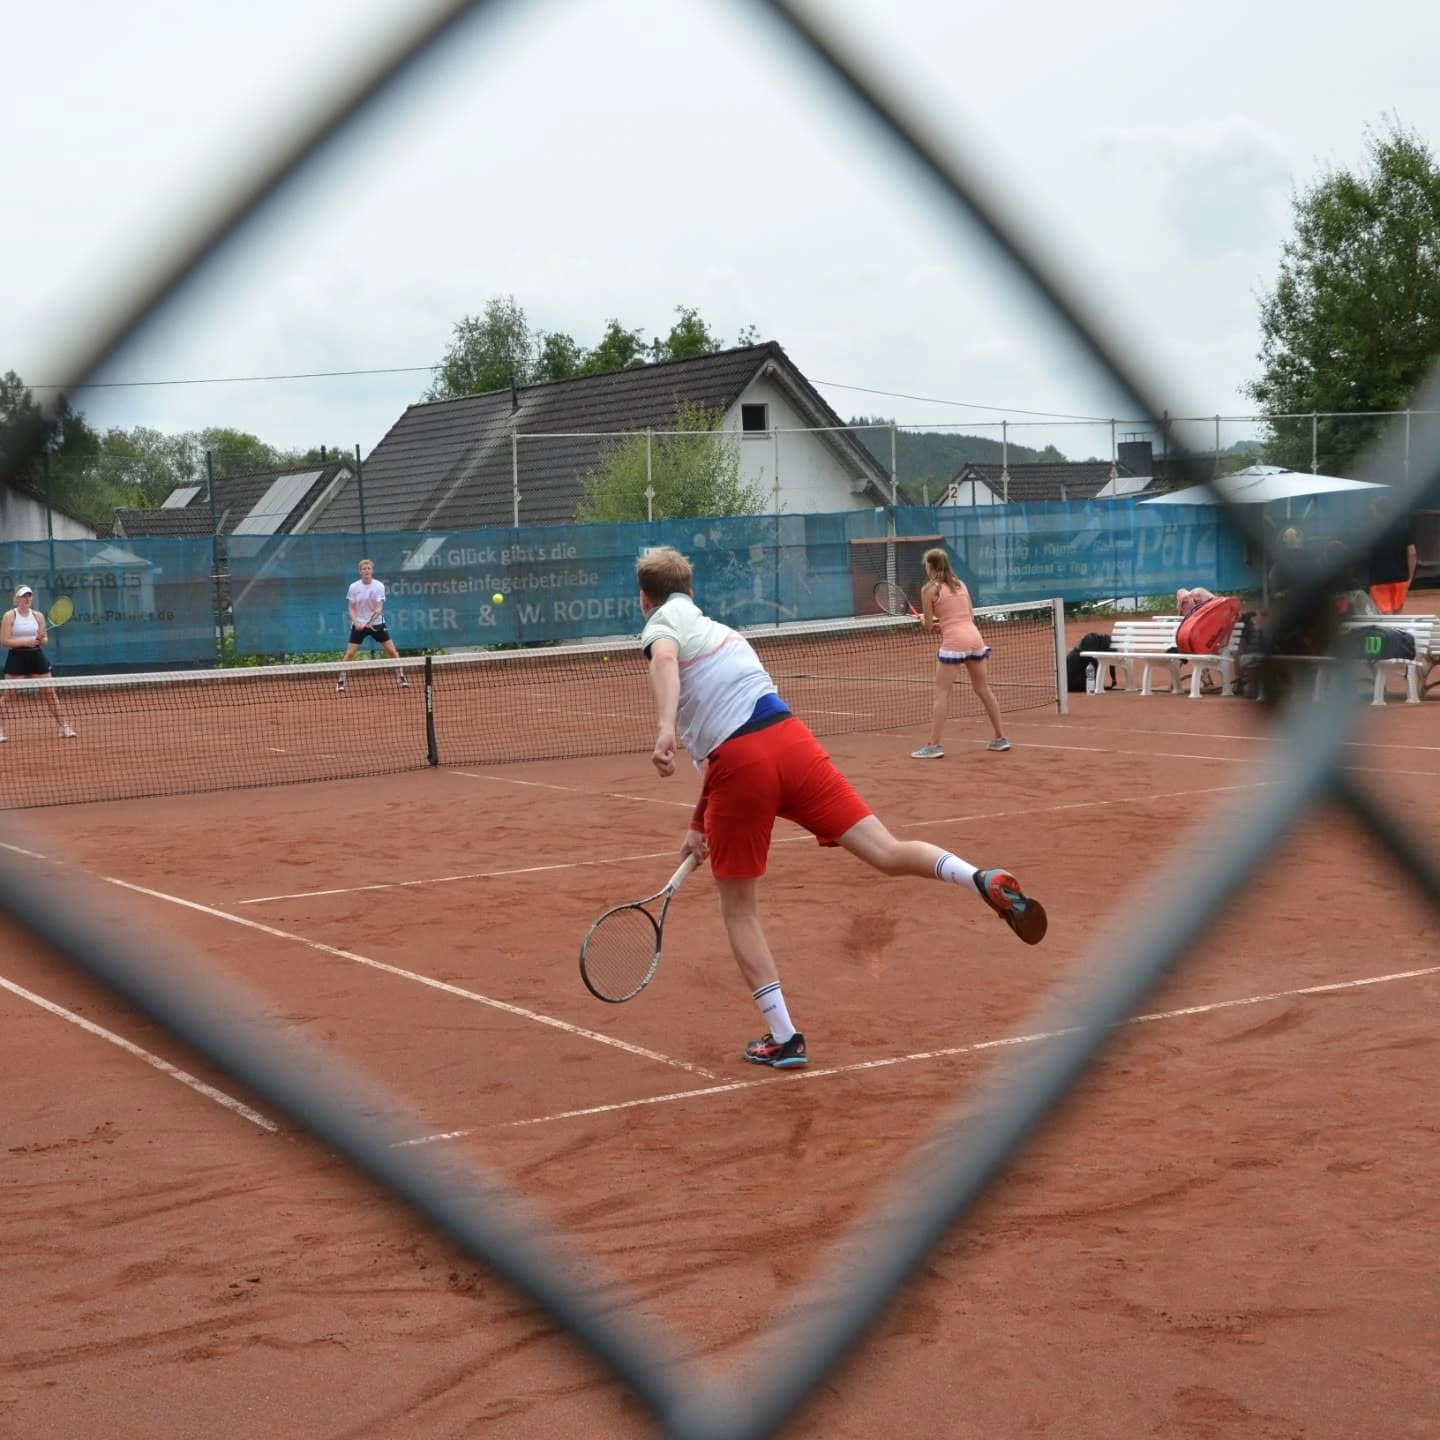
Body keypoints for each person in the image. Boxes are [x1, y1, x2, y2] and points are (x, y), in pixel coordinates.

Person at [637, 546, 1045, 1070]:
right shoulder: (722, 633)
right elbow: (734, 724)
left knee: (739, 908)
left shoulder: (661, 626)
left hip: (741, 767)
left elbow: (670, 665)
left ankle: (783, 1038)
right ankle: (977, 877)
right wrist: (700, 822)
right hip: (791, 742)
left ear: (646, 600)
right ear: (692, 591)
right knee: (888, 851)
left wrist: (665, 727)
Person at [910, 547, 1008, 759]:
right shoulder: (960, 584)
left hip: (955, 641)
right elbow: (966, 617)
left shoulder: (929, 589)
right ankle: (1001, 738)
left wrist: (927, 623)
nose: (926, 568)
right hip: (974, 638)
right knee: (983, 689)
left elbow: (928, 626)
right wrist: (941, 625)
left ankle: (934, 745)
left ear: (932, 566)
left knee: (942, 694)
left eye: (926, 565)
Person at [0, 585, 77, 742]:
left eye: (29, 595)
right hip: (17, 657)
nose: (27, 598)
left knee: (49, 692)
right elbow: (5, 641)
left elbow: (45, 641)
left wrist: (40, 639)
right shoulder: (9, 616)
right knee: (10, 694)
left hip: (36, 656)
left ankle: (64, 727)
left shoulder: (38, 616)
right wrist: (26, 642)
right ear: (16, 599)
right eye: (23, 596)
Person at [337, 558, 407, 692]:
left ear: (372, 571)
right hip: (359, 625)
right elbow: (351, 608)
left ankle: (401, 676)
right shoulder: (354, 587)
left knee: (392, 651)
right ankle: (341, 681)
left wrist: (371, 619)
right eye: (364, 569)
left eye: (369, 569)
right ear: (360, 571)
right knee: (350, 654)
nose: (366, 571)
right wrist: (357, 622)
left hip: (377, 624)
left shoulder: (379, 586)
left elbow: (379, 607)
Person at [1366, 498, 1417, 614]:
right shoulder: (1403, 529)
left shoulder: (1371, 532)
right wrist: (1410, 577)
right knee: (1397, 615)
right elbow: (1412, 553)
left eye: (1373, 512)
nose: (1372, 516)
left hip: (1379, 581)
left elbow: (1365, 555)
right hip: (1400, 580)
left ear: (1380, 512)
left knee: (1384, 616)